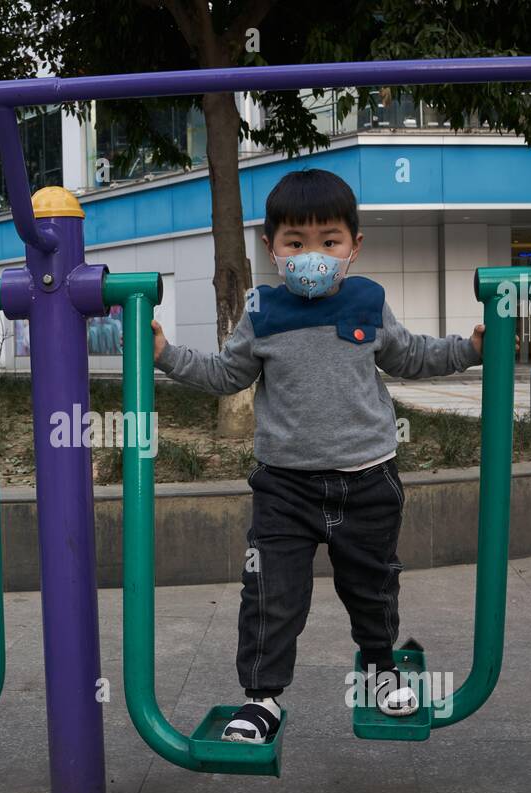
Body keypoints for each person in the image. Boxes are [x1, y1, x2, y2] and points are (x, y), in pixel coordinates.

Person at [150, 169, 486, 743]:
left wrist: (469, 349)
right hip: (285, 489)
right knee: (269, 594)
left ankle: (381, 669)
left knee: (373, 586)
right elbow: (224, 373)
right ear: (271, 248)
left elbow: (409, 357)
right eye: (295, 243)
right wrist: (164, 354)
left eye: (329, 242)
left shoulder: (367, 301)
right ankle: (261, 700)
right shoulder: (262, 313)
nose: (313, 255)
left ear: (354, 245)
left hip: (368, 480)